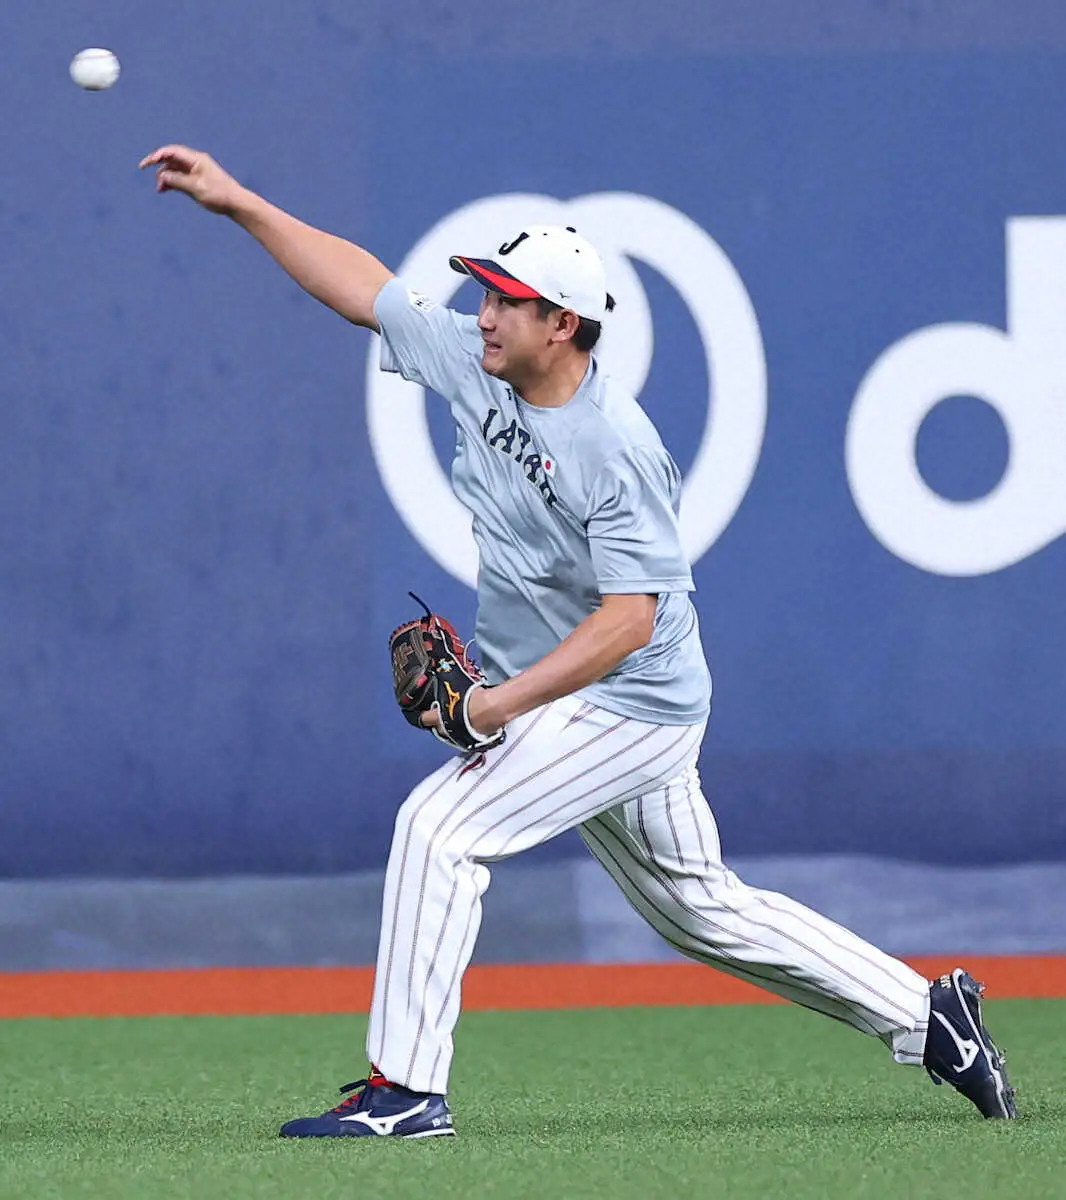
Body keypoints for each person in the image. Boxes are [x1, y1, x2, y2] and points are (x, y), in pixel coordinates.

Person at [139, 144, 1018, 1135]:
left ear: (562, 324)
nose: (484, 313)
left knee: (439, 829)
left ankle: (406, 1092)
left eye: (507, 301)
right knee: (700, 908)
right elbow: (367, 292)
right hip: (571, 694)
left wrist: (492, 709)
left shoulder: (615, 449)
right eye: (484, 294)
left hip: (629, 701)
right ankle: (930, 1016)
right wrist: (239, 202)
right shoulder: (478, 373)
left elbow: (628, 621)